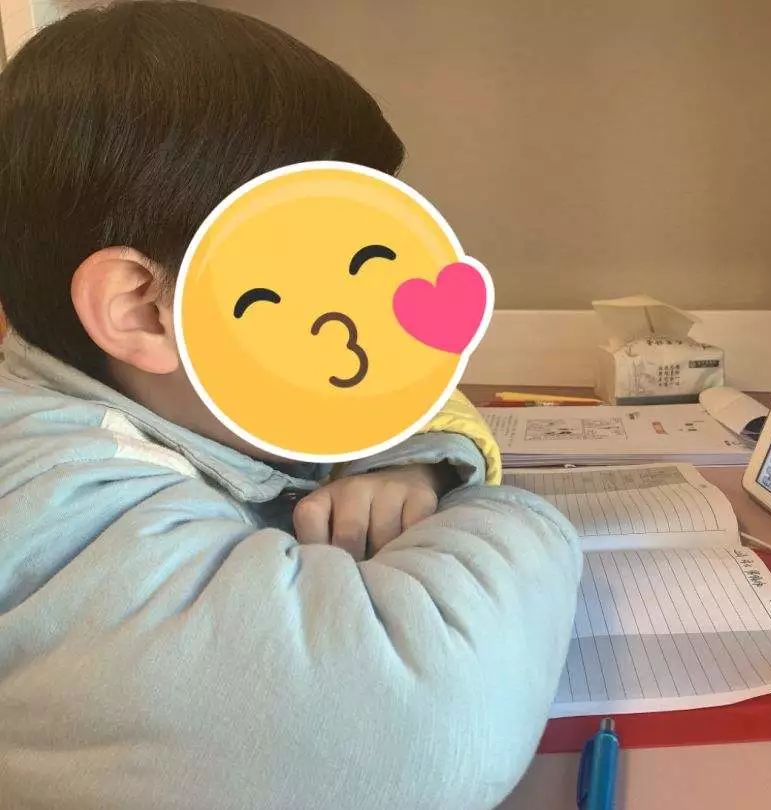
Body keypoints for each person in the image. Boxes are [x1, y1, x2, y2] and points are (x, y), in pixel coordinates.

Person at [0, 4, 582, 809]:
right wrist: (523, 521)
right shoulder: (45, 498)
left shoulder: (183, 404)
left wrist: (409, 462)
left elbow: (411, 395)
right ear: (141, 307)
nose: (357, 323)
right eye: (315, 267)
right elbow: (422, 726)